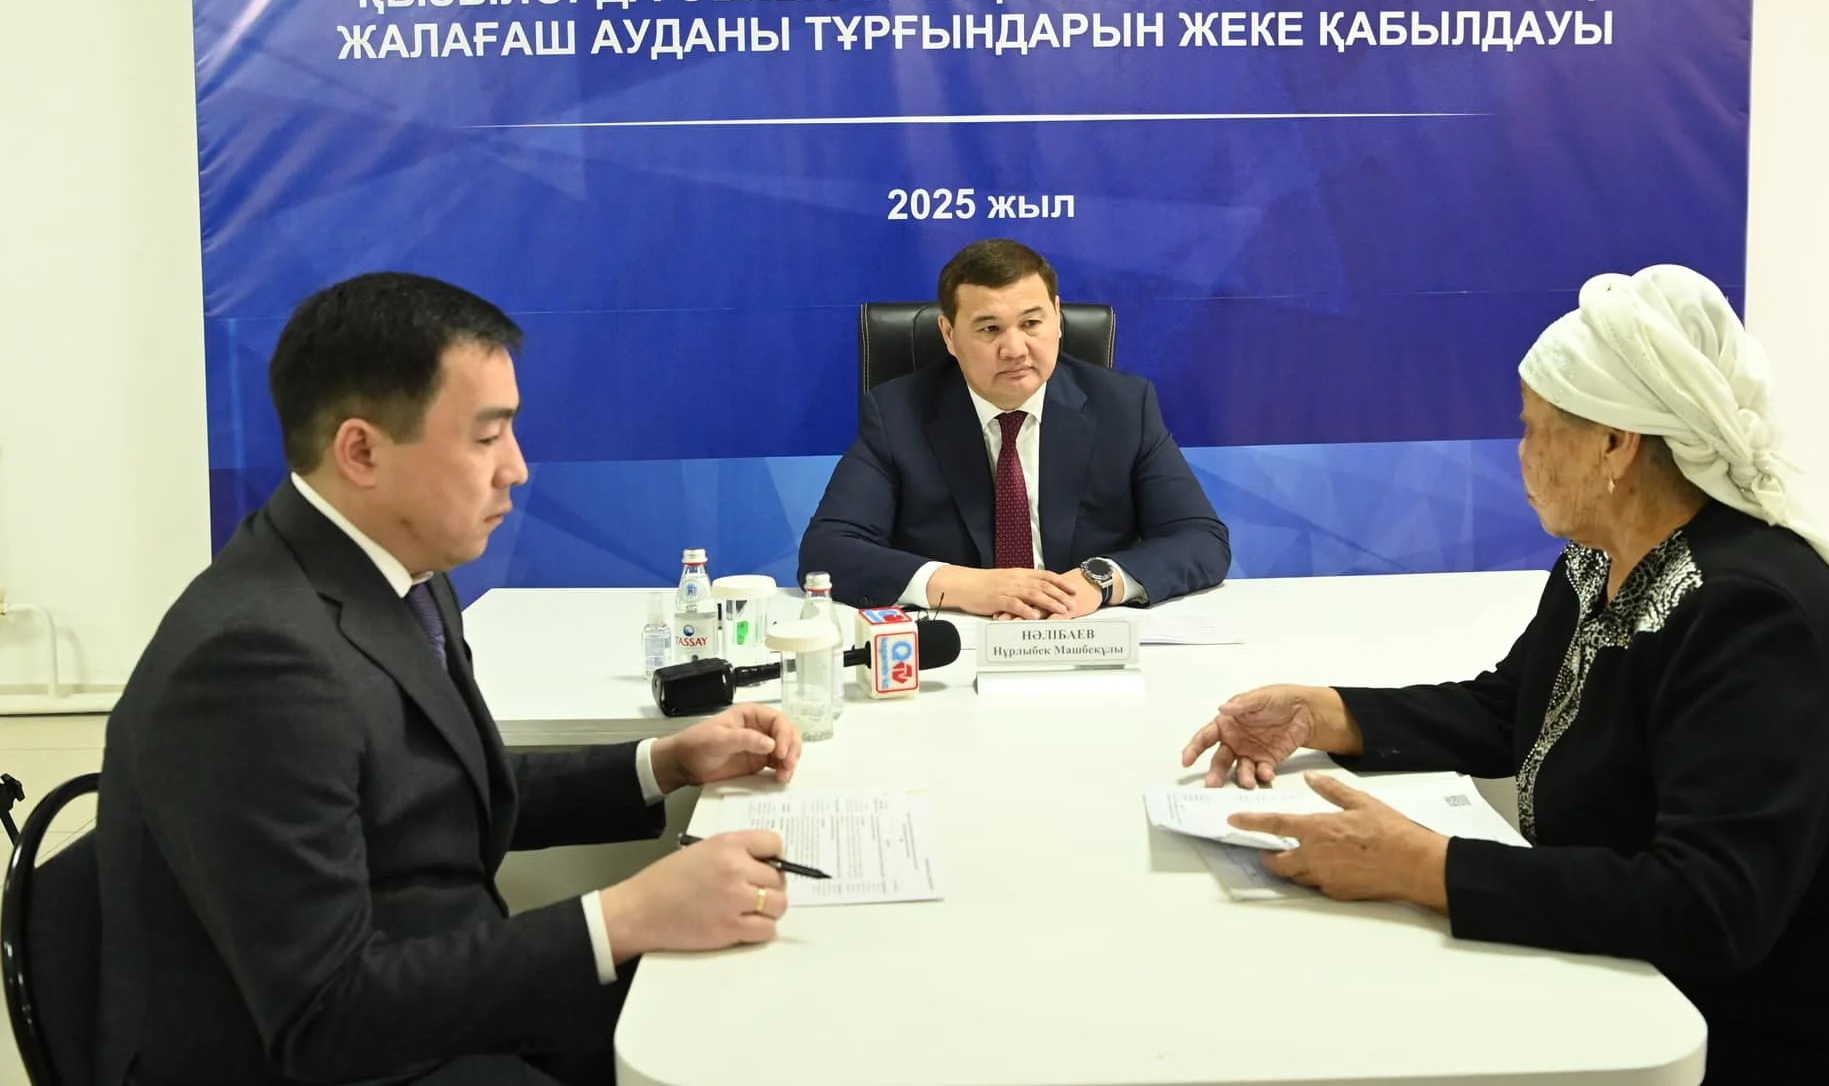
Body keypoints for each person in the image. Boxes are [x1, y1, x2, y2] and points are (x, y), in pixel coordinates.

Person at [1182, 265, 1829, 1084]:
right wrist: (1327, 714)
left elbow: (1710, 904)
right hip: (1693, 997)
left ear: (1616, 443)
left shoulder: (1755, 619)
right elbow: (1517, 707)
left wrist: (1423, 867)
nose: (1521, 454)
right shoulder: (1603, 560)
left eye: (1534, 428)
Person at [96, 274, 803, 1086]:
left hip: (434, 1000)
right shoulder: (252, 661)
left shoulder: (401, 573)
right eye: (487, 437)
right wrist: (626, 915)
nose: (518, 469)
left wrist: (666, 763)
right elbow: (323, 1016)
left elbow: (446, 789)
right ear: (361, 451)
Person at [799, 238, 1230, 618]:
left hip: (1085, 632)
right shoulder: (897, 415)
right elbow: (827, 551)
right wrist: (967, 587)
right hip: (959, 638)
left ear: (1057, 318)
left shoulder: (1125, 407)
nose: (1015, 349)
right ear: (949, 335)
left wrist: (1098, 581)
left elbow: (1201, 538)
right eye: (990, 329)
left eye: (1031, 323)